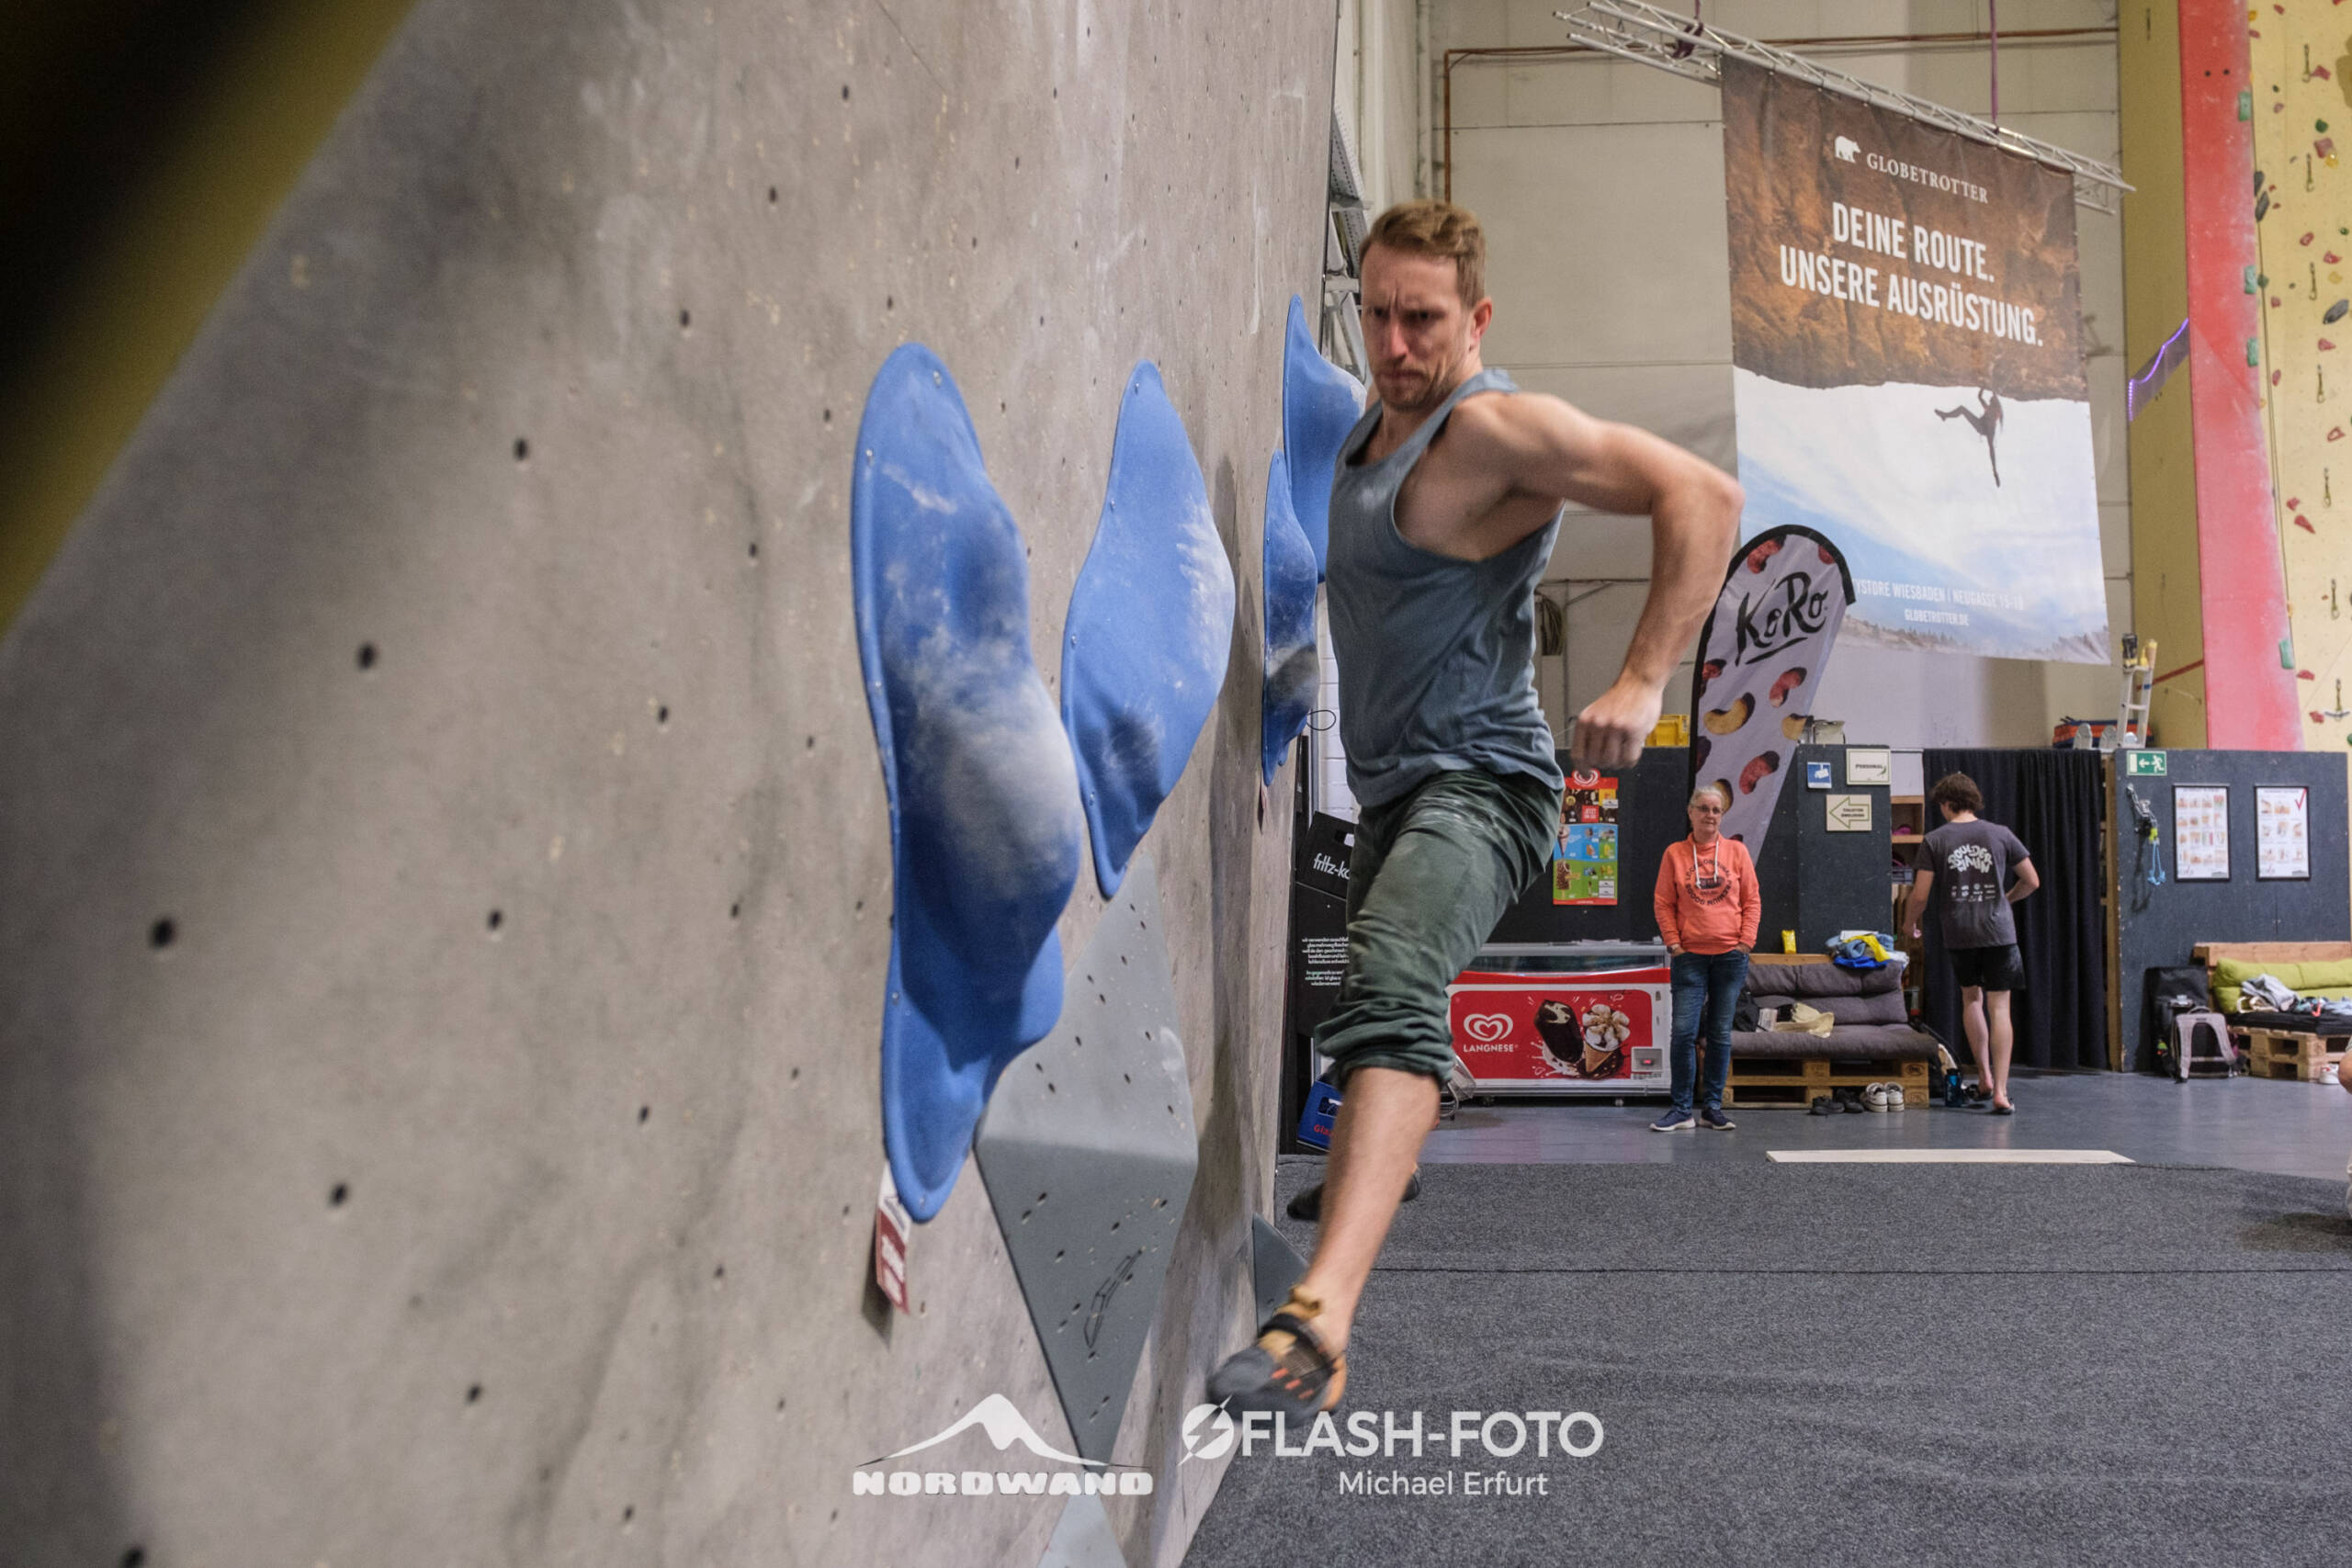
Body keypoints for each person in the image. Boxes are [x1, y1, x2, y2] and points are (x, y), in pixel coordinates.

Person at [1206, 199, 1742, 1417]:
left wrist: (1642, 678)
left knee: (1390, 982)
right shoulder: (1369, 431)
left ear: (1476, 318)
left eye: (1424, 319)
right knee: (1370, 1002)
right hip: (1396, 790)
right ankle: (1380, 1157)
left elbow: (1703, 494)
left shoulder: (1492, 429)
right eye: (1378, 315)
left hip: (1486, 784)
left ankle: (1319, 1325)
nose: (1397, 343)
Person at [1903, 772, 2040, 1113]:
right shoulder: (2001, 833)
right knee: (2000, 1008)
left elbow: (1920, 895)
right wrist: (2005, 899)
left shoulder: (1935, 840)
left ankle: (1985, 1077)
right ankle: (2001, 1093)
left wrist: (1908, 923)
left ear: (1947, 803)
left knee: (1971, 999)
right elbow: (2032, 881)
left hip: (1960, 932)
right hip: (1999, 933)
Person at [1650, 783, 1760, 1132]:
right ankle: (1682, 1109)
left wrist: (1746, 942)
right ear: (1691, 812)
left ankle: (1712, 1108)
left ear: (1722, 816)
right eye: (1704, 808)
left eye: (1716, 810)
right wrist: (1674, 944)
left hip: (1730, 956)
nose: (1710, 815)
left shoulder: (1737, 852)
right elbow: (1663, 903)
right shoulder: (1674, 854)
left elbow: (1752, 900)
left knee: (1720, 1034)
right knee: (1683, 1033)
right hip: (1690, 958)